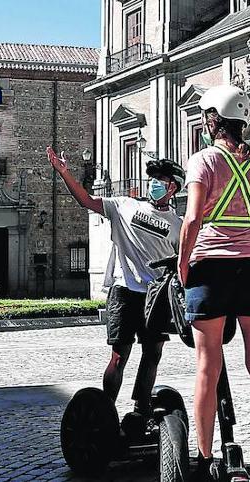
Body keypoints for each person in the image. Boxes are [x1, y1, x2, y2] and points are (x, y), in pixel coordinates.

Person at [177, 84, 250, 482]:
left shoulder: (202, 160)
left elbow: (192, 219)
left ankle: (205, 460)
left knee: (208, 367)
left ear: (212, 120)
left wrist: (184, 264)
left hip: (211, 266)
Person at [48, 147, 183, 424]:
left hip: (156, 296)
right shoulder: (124, 205)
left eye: (161, 180)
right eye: (153, 179)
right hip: (124, 291)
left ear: (173, 188)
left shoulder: (178, 225)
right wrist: (64, 172)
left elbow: (182, 262)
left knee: (153, 353)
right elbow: (86, 200)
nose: (154, 184)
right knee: (120, 355)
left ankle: (141, 410)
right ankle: (106, 412)